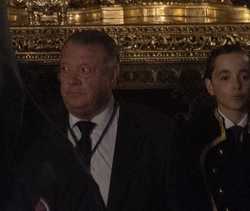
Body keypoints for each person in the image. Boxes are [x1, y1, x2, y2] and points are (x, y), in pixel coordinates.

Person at [53, 29, 172, 210]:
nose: (72, 80)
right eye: (65, 69)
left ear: (112, 75)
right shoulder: (37, 131)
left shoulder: (158, 134)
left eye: (84, 70)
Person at [170, 44, 250, 211]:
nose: (237, 86)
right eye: (225, 78)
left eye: (244, 77)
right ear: (210, 86)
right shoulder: (192, 138)